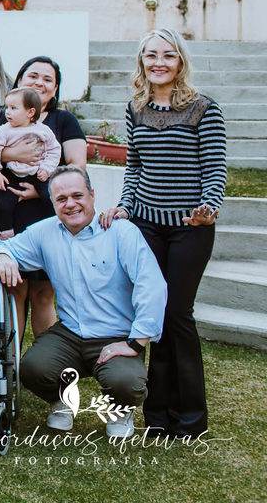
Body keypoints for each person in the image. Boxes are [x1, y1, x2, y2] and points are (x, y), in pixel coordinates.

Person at [101, 29, 226, 438]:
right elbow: (134, 167)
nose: (159, 62)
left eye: (168, 56)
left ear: (180, 62)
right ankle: (157, 417)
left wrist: (209, 207)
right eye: (151, 55)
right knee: (153, 316)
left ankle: (189, 419)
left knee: (177, 316)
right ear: (142, 61)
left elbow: (214, 168)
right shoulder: (135, 108)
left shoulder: (203, 109)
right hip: (146, 226)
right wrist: (125, 205)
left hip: (190, 227)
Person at [0, 166, 168, 439]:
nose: (70, 204)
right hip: (71, 333)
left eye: (78, 195)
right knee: (33, 368)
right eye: (61, 199)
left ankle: (121, 409)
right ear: (52, 203)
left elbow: (152, 286)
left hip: (116, 333)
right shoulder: (45, 232)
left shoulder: (121, 232)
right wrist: (3, 257)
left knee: (126, 383)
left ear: (92, 195)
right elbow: (4, 246)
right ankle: (61, 401)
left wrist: (136, 343)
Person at [0, 55, 87, 338]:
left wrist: (40, 188)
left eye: (48, 79)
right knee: (13, 289)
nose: (40, 82)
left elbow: (76, 164)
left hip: (45, 209)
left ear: (56, 88)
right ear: (20, 80)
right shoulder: (1, 114)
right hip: (6, 206)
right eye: (33, 76)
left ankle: (44, 366)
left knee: (43, 292)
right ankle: (11, 365)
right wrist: (13, 154)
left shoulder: (64, 120)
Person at [0, 87, 62, 240]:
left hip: (37, 174)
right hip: (12, 175)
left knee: (50, 198)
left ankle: (57, 226)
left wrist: (46, 169)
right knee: (4, 205)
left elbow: (54, 150)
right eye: (7, 107)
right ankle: (5, 233)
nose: (7, 112)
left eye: (13, 108)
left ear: (30, 112)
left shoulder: (43, 130)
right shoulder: (5, 130)